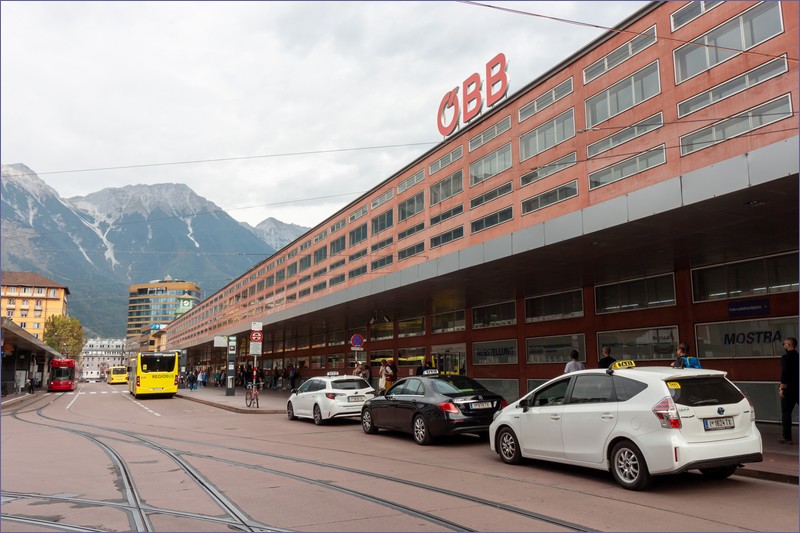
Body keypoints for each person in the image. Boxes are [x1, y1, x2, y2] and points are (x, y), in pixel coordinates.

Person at [779, 337, 799, 444]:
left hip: (790, 389)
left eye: (784, 344)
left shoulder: (785, 358)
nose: (784, 346)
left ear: (789, 345)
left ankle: (787, 437)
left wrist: (782, 388)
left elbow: (784, 374)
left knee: (786, 412)